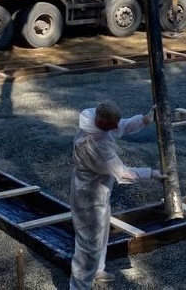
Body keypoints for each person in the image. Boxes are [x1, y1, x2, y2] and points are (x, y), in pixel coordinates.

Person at [69, 101, 164, 289]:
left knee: (101, 233)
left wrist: (145, 119)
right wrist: (151, 174)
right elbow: (122, 173)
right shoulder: (94, 144)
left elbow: (122, 125)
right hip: (88, 196)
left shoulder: (99, 124)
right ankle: (78, 286)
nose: (115, 128)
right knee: (88, 244)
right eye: (111, 125)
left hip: (99, 192)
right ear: (102, 122)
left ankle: (97, 270)